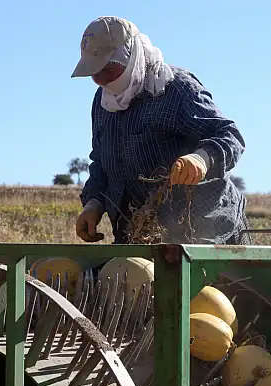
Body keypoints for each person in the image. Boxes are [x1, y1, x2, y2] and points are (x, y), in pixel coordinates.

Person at [71, 16, 252, 245]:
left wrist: (201, 159)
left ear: (131, 57)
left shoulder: (175, 88)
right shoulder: (103, 103)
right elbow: (101, 160)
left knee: (201, 282)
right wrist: (94, 203)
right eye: (93, 72)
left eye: (107, 69)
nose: (99, 79)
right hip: (139, 233)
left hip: (203, 231)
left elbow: (229, 135)